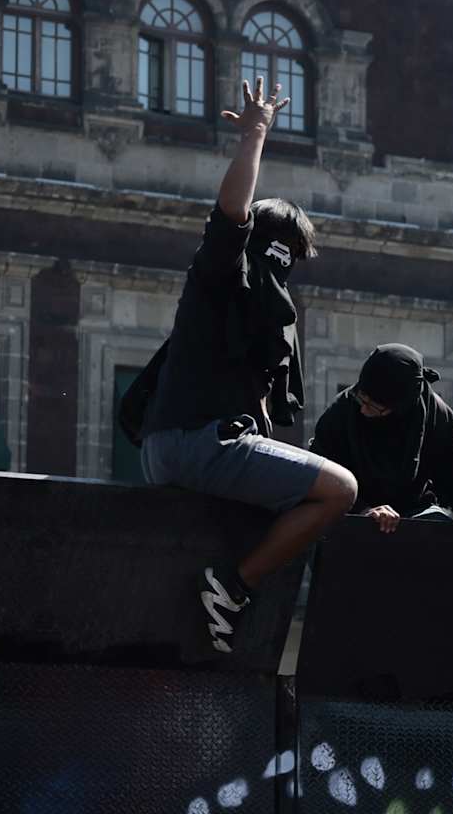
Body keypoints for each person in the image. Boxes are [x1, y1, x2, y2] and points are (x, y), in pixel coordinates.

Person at [135, 78, 358, 655]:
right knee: (339, 489)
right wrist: (255, 133)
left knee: (290, 496)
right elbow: (231, 214)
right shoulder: (223, 275)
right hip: (196, 443)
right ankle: (234, 584)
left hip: (179, 445)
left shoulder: (264, 321)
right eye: (290, 258)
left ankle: (230, 596)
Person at [308, 344, 453, 543]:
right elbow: (320, 479)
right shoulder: (341, 413)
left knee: (438, 532)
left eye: (373, 406)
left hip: (417, 510)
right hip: (352, 511)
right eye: (362, 399)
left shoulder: (437, 416)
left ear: (400, 407)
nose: (363, 411)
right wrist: (363, 510)